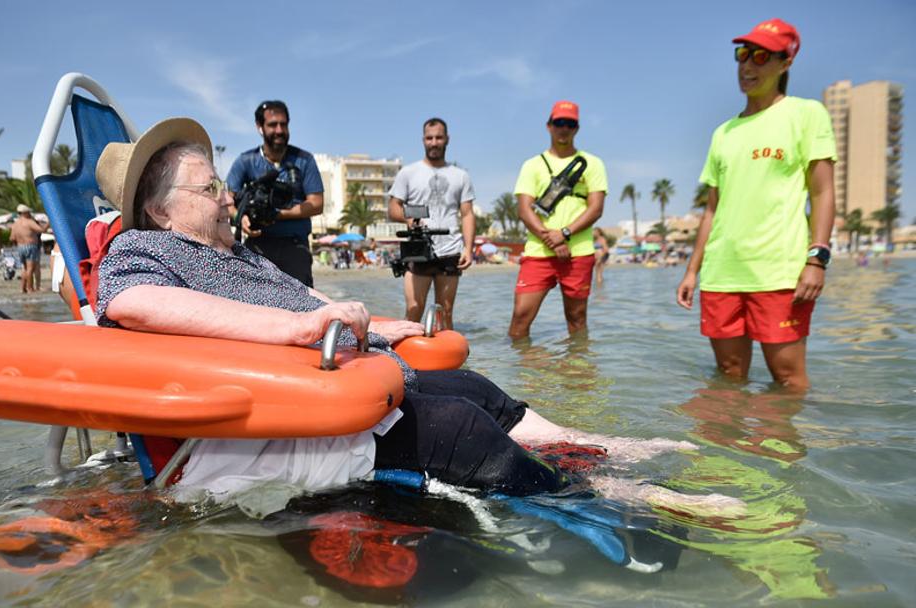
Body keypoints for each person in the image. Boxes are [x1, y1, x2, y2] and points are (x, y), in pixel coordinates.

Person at [93, 117, 723, 510]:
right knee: (458, 429)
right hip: (269, 417)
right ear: (159, 210)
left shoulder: (238, 255)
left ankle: (597, 450)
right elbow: (130, 303)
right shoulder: (140, 248)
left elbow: (303, 297)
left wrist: (375, 323)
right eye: (210, 190)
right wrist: (295, 328)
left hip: (330, 374)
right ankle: (623, 501)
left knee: (478, 392)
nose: (229, 197)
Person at [675, 19, 836, 391]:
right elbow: (712, 209)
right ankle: (732, 451)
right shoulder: (723, 132)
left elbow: (823, 193)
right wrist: (691, 271)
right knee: (729, 378)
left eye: (761, 56)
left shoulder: (806, 114)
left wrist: (817, 258)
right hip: (722, 273)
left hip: (778, 272)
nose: (748, 66)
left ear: (786, 63)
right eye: (743, 55)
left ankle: (778, 450)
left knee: (788, 380)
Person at [508, 101, 607, 339]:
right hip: (538, 252)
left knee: (577, 319)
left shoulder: (592, 164)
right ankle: (522, 375)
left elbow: (596, 209)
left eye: (570, 124)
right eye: (559, 123)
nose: (564, 128)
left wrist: (564, 233)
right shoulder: (532, 165)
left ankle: (577, 373)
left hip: (579, 253)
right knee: (520, 318)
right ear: (549, 126)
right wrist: (551, 239)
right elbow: (524, 209)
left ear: (577, 128)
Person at [388, 118, 476, 329]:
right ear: (423, 140)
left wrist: (469, 248)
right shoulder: (408, 173)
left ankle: (448, 362)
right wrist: (409, 218)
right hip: (419, 249)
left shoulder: (460, 175)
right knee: (414, 309)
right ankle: (403, 359)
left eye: (438, 137)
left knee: (445, 313)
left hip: (450, 249)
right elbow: (393, 208)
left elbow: (467, 214)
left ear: (447, 139)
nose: (434, 142)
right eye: (429, 138)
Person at [227, 100, 323, 287]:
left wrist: (278, 215)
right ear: (260, 127)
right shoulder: (246, 161)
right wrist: (241, 217)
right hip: (258, 244)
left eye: (283, 124)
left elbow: (317, 203)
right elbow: (227, 201)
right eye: (272, 125)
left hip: (295, 246)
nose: (279, 130)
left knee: (302, 304)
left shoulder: (304, 160)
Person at [10, 204, 47, 293]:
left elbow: (12, 238)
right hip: (30, 246)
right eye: (28, 212)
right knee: (30, 268)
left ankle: (23, 288)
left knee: (24, 268)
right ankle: (30, 288)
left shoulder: (15, 224)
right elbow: (41, 230)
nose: (30, 214)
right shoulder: (29, 222)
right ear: (25, 213)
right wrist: (49, 223)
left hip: (20, 247)